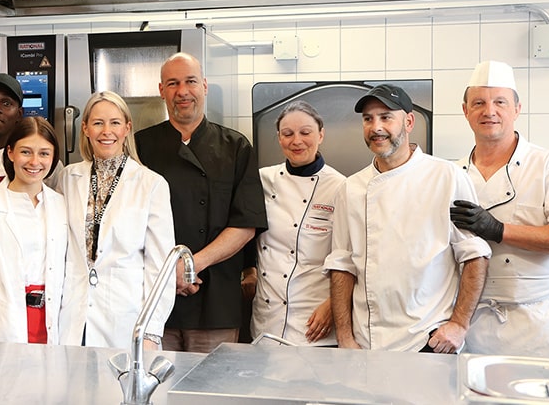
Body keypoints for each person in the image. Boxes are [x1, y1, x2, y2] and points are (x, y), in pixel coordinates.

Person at [324, 84, 491, 352]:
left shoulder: (446, 176)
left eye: (386, 117)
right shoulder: (350, 188)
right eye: (368, 119)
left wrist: (459, 324)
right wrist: (344, 336)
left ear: (409, 121)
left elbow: (475, 255)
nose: (376, 127)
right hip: (366, 344)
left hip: (426, 340)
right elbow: (342, 266)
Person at [451, 61, 549, 360]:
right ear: (465, 111)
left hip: (540, 325)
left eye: (500, 102)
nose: (489, 111)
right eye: (479, 102)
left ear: (517, 109)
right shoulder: (453, 173)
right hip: (474, 325)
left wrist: (498, 230)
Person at [134, 52, 268, 353]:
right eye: (173, 83)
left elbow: (245, 223)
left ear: (204, 86)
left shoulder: (236, 147)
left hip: (216, 300)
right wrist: (169, 275)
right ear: (161, 91)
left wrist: (191, 266)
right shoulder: (140, 146)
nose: (182, 91)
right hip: (153, 300)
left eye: (190, 81)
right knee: (156, 392)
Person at [60, 91, 175, 349]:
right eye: (98, 123)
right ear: (86, 128)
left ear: (127, 128)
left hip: (125, 319)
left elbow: (160, 267)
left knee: (116, 389)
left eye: (114, 123)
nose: (106, 131)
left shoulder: (151, 184)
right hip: (71, 315)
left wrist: (151, 332)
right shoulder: (68, 178)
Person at [0, 117, 73, 343]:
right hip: (3, 326)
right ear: (10, 153)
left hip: (54, 323)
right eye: (26, 152)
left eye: (44, 153)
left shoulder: (62, 206)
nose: (35, 161)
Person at [251, 101, 344, 346]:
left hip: (315, 321)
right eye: (288, 134)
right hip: (267, 319)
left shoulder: (340, 187)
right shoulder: (262, 180)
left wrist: (332, 306)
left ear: (321, 134)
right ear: (279, 138)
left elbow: (350, 258)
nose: (296, 141)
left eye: (305, 132)